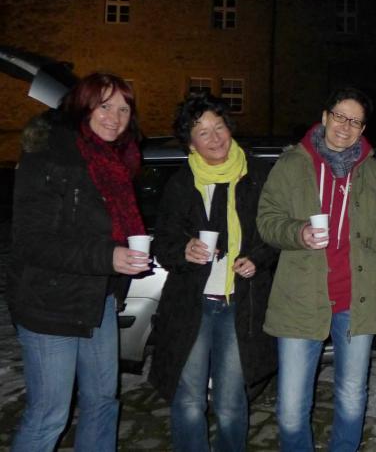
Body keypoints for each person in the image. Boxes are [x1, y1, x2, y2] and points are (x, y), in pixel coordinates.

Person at [8, 73, 151, 451]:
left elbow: (113, 231)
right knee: (49, 415)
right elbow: (32, 242)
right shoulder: (49, 155)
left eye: (123, 109)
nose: (115, 118)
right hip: (49, 304)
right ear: (83, 106)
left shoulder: (117, 163)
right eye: (105, 106)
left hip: (98, 301)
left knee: (102, 402)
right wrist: (108, 256)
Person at [257, 87, 376, 451]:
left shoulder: (372, 170)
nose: (345, 126)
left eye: (355, 121)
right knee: (291, 408)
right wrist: (298, 232)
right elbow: (267, 220)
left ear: (363, 128)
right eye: (339, 116)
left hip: (357, 299)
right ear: (324, 117)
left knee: (352, 397)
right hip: (301, 298)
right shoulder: (293, 163)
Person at [147, 92, 278, 452]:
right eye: (203, 132)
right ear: (191, 143)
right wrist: (184, 249)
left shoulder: (258, 175)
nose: (215, 138)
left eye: (218, 127)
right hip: (192, 303)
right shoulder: (181, 183)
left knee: (231, 403)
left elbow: (275, 233)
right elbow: (164, 242)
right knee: (189, 401)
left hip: (240, 302)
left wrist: (258, 258)